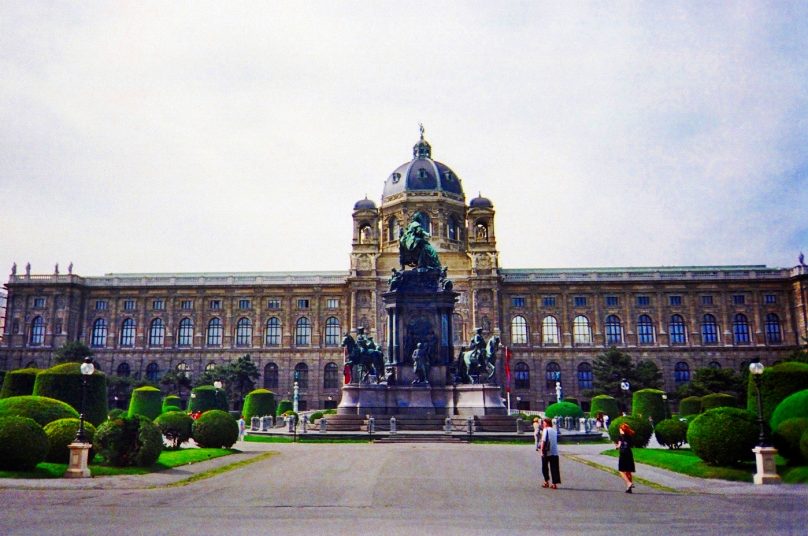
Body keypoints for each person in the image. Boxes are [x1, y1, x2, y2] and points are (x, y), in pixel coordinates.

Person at [539, 417, 561, 489]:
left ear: (547, 423)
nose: (543, 424)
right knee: (554, 468)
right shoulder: (554, 431)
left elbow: (544, 441)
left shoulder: (545, 430)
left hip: (546, 452)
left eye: (544, 422)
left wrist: (541, 451)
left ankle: (546, 482)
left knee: (544, 467)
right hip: (554, 452)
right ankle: (554, 484)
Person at [616, 422, 636, 493]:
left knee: (621, 470)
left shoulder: (620, 436)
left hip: (623, 454)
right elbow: (631, 444)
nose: (619, 430)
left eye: (620, 429)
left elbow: (619, 445)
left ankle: (628, 483)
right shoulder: (629, 436)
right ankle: (629, 488)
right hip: (629, 454)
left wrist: (617, 446)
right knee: (628, 471)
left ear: (622, 429)